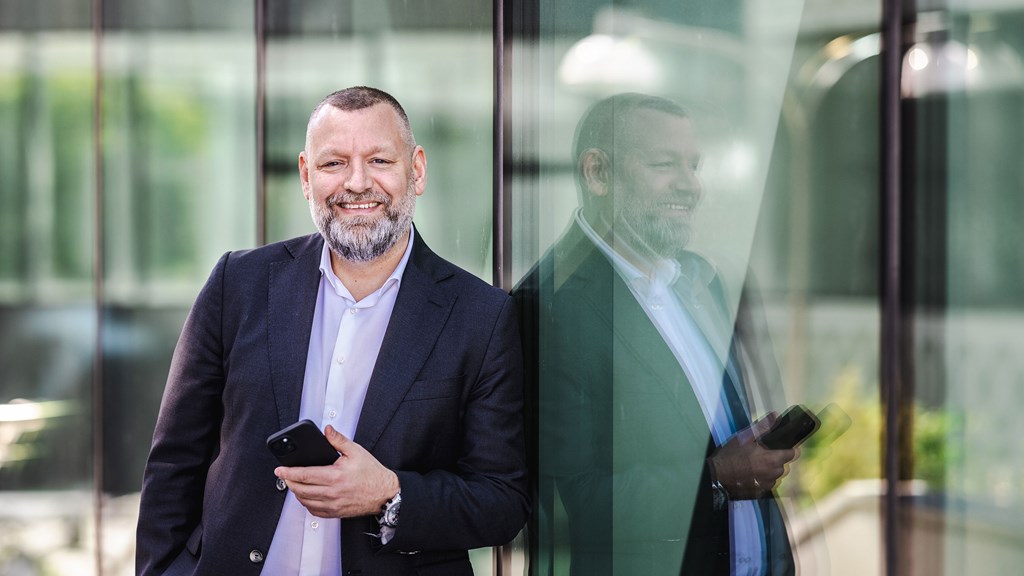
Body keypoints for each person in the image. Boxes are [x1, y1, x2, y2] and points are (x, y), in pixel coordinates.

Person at [136, 86, 529, 576]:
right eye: (334, 164)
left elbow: (502, 500)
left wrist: (390, 493)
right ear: (306, 176)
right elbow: (174, 464)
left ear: (417, 170)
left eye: (380, 160)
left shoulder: (481, 315)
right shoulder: (237, 284)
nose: (358, 183)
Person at [515, 93, 799, 575]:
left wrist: (742, 446)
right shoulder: (550, 304)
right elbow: (570, 500)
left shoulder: (697, 279)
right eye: (665, 164)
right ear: (598, 173)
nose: (690, 186)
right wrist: (717, 478)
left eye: (694, 165)